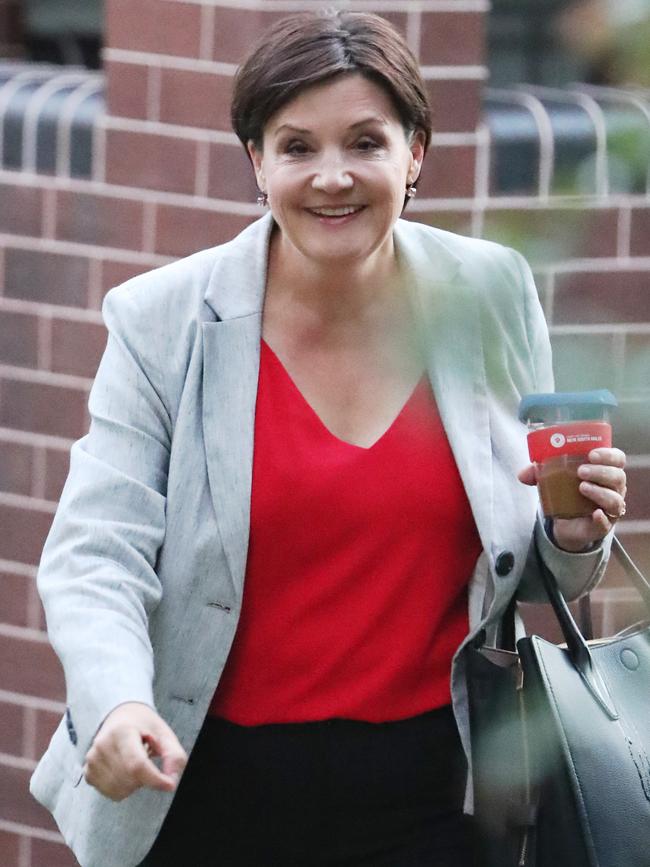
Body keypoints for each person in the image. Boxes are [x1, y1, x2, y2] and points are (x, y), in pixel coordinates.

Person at [30, 10, 627, 867]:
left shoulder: (490, 293)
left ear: (414, 152)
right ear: (257, 162)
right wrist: (118, 701)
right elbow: (95, 553)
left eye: (365, 142)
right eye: (297, 146)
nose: (331, 176)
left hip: (433, 791)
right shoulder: (164, 320)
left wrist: (574, 535)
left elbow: (519, 559)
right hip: (204, 781)